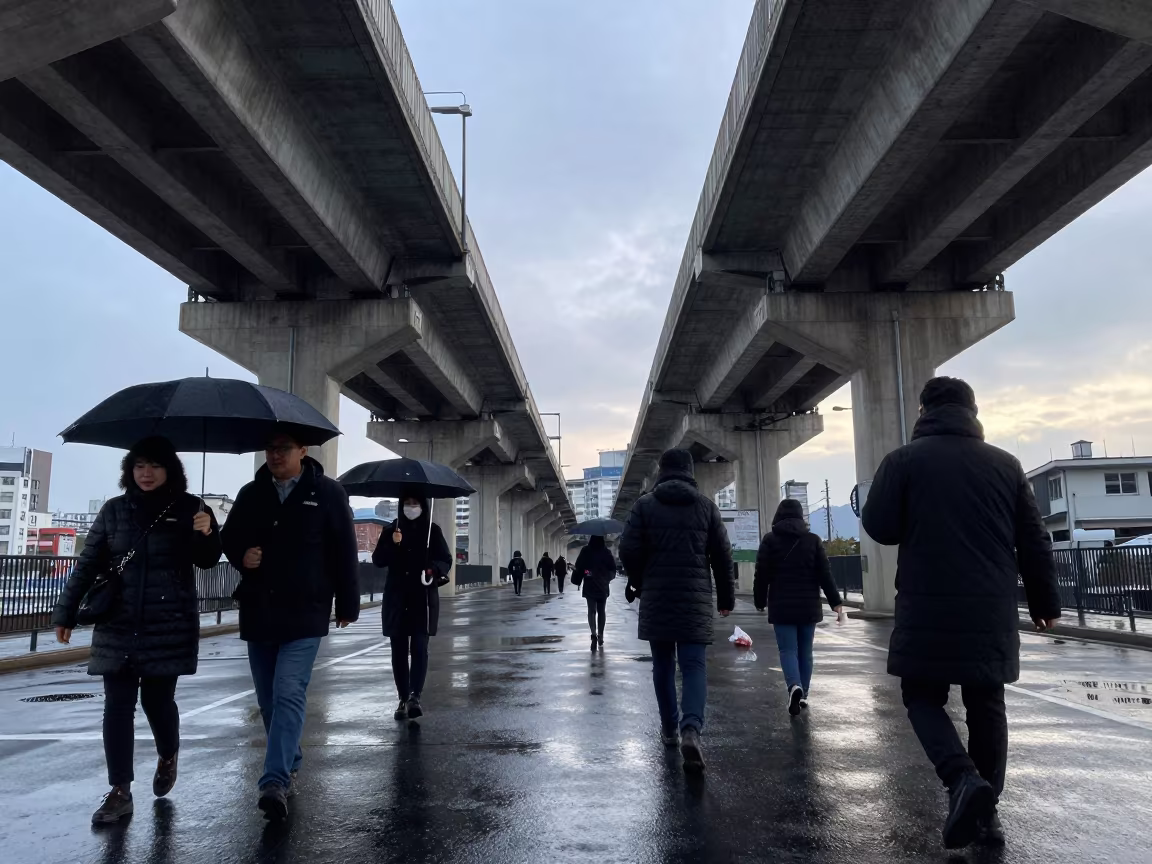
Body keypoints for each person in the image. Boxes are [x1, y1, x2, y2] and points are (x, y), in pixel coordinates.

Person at [862, 377, 1060, 850]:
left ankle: (962, 779)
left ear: (923, 409)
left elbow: (880, 526)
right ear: (973, 411)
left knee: (922, 696)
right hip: (990, 604)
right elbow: (1034, 538)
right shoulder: (1006, 465)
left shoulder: (904, 461)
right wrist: (1045, 604)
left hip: (926, 599)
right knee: (986, 702)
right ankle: (986, 815)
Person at [52, 436, 220, 824]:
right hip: (118, 621)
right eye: (139, 465)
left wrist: (208, 531)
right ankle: (120, 790)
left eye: (155, 466)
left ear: (170, 471)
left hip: (168, 623)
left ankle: (168, 753)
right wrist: (65, 613)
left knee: (157, 703)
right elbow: (89, 561)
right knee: (117, 706)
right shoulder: (114, 511)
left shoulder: (191, 508)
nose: (146, 473)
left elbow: (209, 561)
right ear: (129, 470)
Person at [221, 432, 359, 821]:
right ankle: (291, 754)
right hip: (259, 608)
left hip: (306, 610)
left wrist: (348, 603)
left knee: (288, 692)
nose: (275, 455)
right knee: (267, 700)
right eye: (269, 449)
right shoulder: (251, 493)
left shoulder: (328, 493)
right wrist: (241, 556)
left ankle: (275, 779)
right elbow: (229, 539)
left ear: (303, 451)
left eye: (284, 448)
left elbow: (345, 549)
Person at [618, 449, 734, 772]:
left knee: (663, 665)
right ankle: (691, 730)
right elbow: (723, 557)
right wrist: (726, 598)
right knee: (694, 665)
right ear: (690, 471)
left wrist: (639, 579)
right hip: (694, 600)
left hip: (657, 598)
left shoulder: (644, 506)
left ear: (661, 472)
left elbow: (626, 548)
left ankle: (669, 728)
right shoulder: (706, 508)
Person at [753, 498, 843, 716]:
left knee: (787, 650)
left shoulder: (770, 541)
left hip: (782, 606)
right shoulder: (813, 540)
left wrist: (759, 601)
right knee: (805, 651)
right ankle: (803, 695)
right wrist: (836, 602)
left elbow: (761, 574)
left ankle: (794, 685)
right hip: (808, 605)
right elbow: (825, 574)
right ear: (801, 516)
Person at [372, 493, 453, 721]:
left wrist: (433, 569)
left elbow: (446, 559)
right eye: (407, 504)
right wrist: (392, 544)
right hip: (396, 597)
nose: (411, 508)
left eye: (415, 504)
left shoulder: (431, 531)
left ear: (423, 506)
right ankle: (402, 697)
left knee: (419, 647)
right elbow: (378, 560)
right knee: (398, 650)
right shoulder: (391, 530)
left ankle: (415, 696)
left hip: (421, 597)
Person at [572, 536, 616, 651]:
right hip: (602, 586)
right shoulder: (606, 552)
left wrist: (587, 572)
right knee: (601, 611)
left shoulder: (586, 550)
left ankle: (593, 634)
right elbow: (613, 569)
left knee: (591, 610)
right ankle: (601, 634)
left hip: (589, 584)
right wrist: (606, 578)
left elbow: (579, 566)